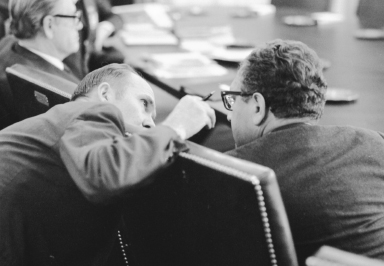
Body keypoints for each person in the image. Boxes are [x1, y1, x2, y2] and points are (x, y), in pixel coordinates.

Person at [0, 63, 216, 266]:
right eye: (143, 103)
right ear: (104, 94)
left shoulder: (64, 119)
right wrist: (177, 126)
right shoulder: (93, 111)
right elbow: (105, 175)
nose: (150, 122)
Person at [223, 39, 384, 265]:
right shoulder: (374, 142)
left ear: (258, 107)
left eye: (233, 100)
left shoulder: (234, 174)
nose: (229, 115)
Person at [0, 0, 83, 130]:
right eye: (74, 17)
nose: (80, 25)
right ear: (49, 25)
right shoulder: (61, 95)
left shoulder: (7, 44)